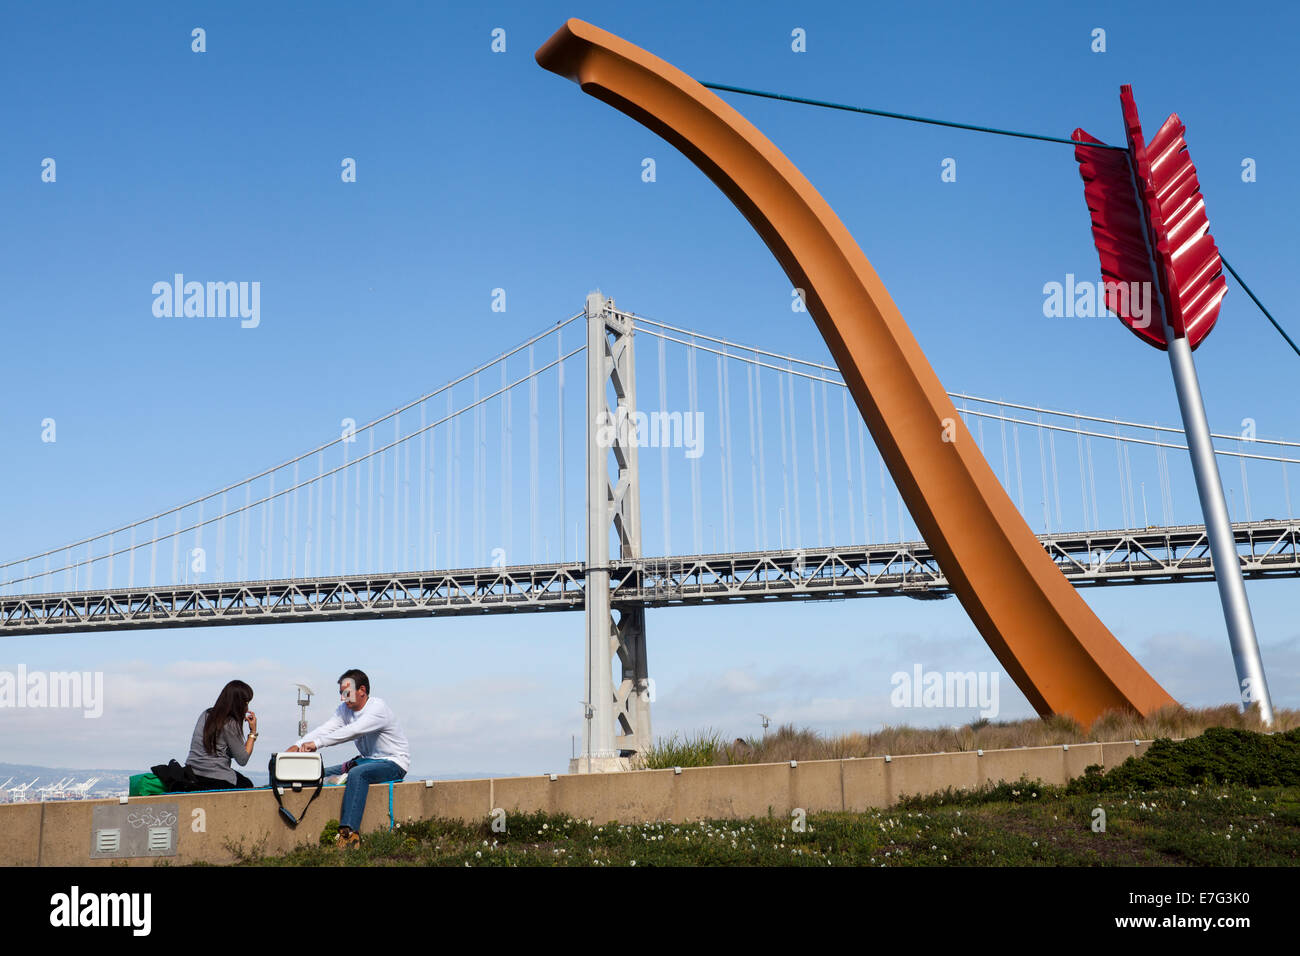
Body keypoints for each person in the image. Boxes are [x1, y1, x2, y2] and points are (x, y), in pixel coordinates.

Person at [284, 668, 409, 849]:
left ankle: (350, 835)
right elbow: (327, 728)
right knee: (317, 773)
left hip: (393, 763)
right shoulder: (345, 709)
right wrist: (299, 744)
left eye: (346, 693)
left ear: (362, 691)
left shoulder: (377, 709)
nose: (342, 698)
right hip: (366, 760)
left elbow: (352, 731)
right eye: (341, 694)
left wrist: (317, 744)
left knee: (358, 774)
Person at [184, 680, 258, 790]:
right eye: (246, 703)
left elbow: (221, 749)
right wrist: (252, 733)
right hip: (215, 777)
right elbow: (242, 759)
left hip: (191, 772)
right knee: (247, 784)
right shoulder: (230, 723)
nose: (247, 708)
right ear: (239, 703)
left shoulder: (206, 714)